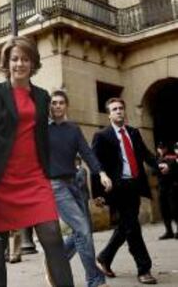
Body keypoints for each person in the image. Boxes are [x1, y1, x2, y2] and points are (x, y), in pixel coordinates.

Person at [0, 36, 74, 287]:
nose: (20, 64)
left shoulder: (42, 96)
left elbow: (43, 137)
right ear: (7, 63)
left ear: (33, 63)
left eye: (25, 59)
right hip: (2, 181)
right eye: (15, 59)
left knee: (53, 236)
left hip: (35, 178)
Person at [91, 97, 169, 285]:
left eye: (121, 108)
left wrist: (159, 165)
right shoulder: (102, 136)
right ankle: (144, 269)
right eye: (114, 109)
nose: (118, 111)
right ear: (109, 114)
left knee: (126, 226)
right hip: (117, 188)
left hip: (134, 185)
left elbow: (146, 154)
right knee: (133, 227)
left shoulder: (133, 132)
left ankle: (104, 258)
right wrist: (98, 194)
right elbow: (95, 164)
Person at [48, 90, 111, 287]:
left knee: (82, 231)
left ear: (66, 106)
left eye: (61, 103)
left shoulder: (73, 129)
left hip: (74, 183)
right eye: (54, 103)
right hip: (55, 185)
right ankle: (94, 279)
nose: (57, 106)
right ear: (49, 106)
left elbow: (87, 152)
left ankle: (56, 264)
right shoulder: (41, 130)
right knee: (82, 228)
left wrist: (101, 173)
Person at [155, 142, 178, 239]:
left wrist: (168, 167)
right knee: (164, 210)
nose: (160, 150)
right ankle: (169, 231)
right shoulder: (158, 159)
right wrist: (161, 166)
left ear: (166, 148)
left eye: (162, 148)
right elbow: (153, 171)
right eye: (159, 148)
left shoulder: (172, 157)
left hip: (172, 187)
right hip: (162, 188)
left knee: (174, 209)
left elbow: (174, 168)